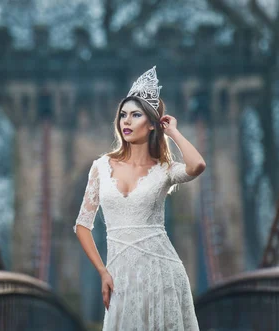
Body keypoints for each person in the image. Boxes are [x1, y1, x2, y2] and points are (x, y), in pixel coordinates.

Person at [73, 66, 206, 330]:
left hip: (163, 273)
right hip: (119, 277)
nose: (126, 121)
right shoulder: (101, 166)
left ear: (153, 124)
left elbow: (197, 165)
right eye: (123, 115)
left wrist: (174, 133)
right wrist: (103, 272)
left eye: (136, 115)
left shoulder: (164, 170)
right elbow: (82, 225)